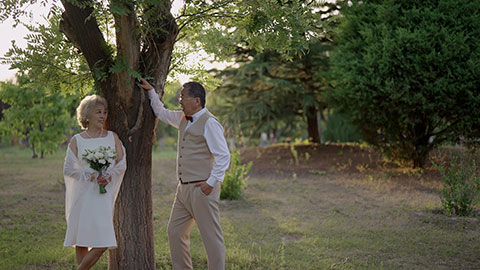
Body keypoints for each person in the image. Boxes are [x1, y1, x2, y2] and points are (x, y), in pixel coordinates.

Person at [138, 79, 230, 270]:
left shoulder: (210, 123)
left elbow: (223, 156)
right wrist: (151, 93)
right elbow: (161, 113)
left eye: (183, 97)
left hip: (202, 190)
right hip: (183, 190)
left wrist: (211, 183)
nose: (180, 101)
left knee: (212, 238)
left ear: (197, 100)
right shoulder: (182, 117)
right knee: (175, 231)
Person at [63, 95, 126, 270]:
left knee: (103, 242)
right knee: (81, 241)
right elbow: (68, 170)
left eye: (105, 112)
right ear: (87, 115)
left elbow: (122, 163)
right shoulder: (77, 140)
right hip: (83, 195)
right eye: (98, 112)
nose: (103, 116)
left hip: (102, 197)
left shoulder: (112, 137)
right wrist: (90, 176)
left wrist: (108, 175)